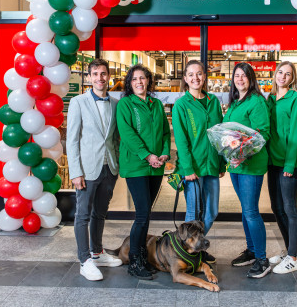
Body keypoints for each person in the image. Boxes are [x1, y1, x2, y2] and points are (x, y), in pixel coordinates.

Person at [67, 58, 123, 281]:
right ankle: (84, 260)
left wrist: (116, 163)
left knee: (100, 213)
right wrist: (75, 172)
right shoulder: (78, 102)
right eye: (95, 74)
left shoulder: (117, 103)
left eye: (103, 74)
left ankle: (97, 252)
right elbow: (72, 140)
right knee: (82, 215)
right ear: (89, 77)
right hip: (87, 169)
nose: (100, 78)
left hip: (109, 167)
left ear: (109, 76)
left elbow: (116, 138)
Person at [116, 64, 171, 280]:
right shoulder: (125, 105)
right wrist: (147, 155)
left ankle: (140, 257)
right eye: (135, 79)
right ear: (130, 83)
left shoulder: (156, 104)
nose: (139, 82)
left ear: (149, 81)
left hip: (156, 166)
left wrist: (165, 153)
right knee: (141, 215)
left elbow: (165, 132)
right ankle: (135, 262)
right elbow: (127, 135)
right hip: (137, 165)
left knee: (146, 213)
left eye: (143, 78)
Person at [171, 60, 225, 264]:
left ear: (205, 76)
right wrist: (187, 168)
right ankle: (187, 254)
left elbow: (220, 135)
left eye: (199, 74)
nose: (196, 78)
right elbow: (181, 140)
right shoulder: (181, 105)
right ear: (185, 79)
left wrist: (221, 163)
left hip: (211, 165)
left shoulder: (213, 101)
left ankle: (195, 247)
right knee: (193, 214)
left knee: (211, 211)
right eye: (191, 74)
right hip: (192, 168)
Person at [224, 62, 271, 279]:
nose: (240, 79)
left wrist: (241, 154)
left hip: (251, 165)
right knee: (245, 210)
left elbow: (261, 135)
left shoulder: (256, 101)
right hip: (236, 165)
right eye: (237, 75)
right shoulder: (234, 103)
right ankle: (252, 250)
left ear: (251, 79)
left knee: (251, 211)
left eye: (244, 76)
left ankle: (262, 259)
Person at [266, 61, 297, 274]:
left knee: (290, 209)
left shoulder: (295, 99)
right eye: (280, 72)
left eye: (288, 74)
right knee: (276, 208)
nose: (283, 76)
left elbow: (296, 132)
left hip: (288, 164)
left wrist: (290, 163)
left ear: (292, 78)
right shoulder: (270, 99)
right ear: (275, 74)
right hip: (272, 162)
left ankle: (293, 257)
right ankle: (288, 250)